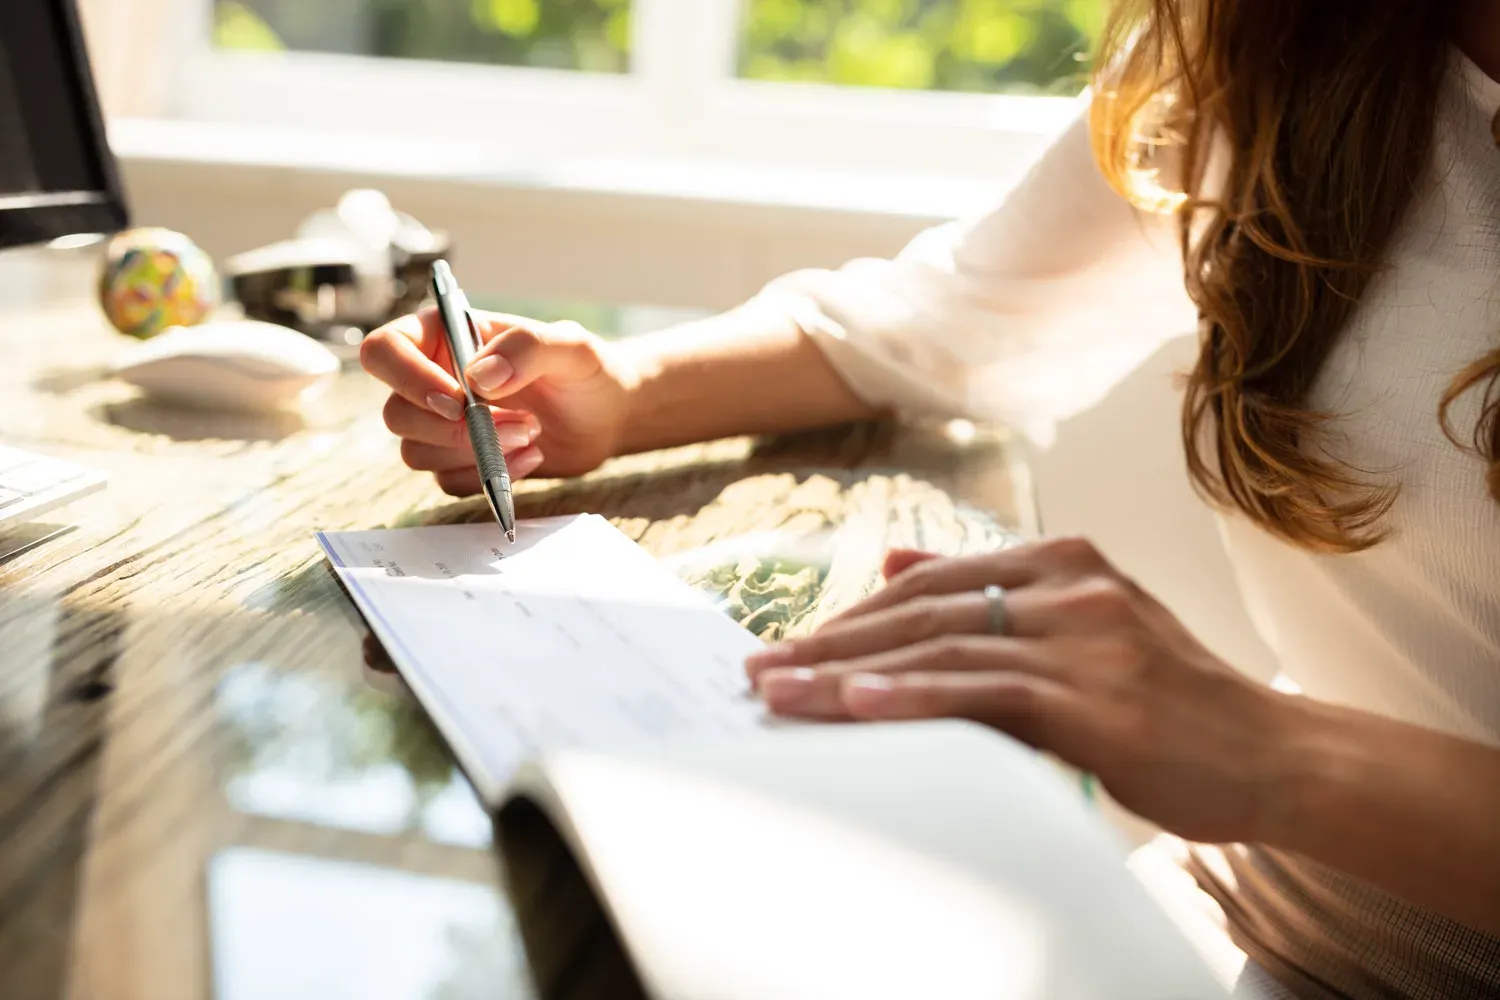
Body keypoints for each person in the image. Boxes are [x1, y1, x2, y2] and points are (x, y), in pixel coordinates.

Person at [359, 2, 1500, 996]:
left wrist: (1268, 748)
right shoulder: (1285, 37)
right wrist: (618, 395)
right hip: (1269, 909)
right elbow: (963, 317)